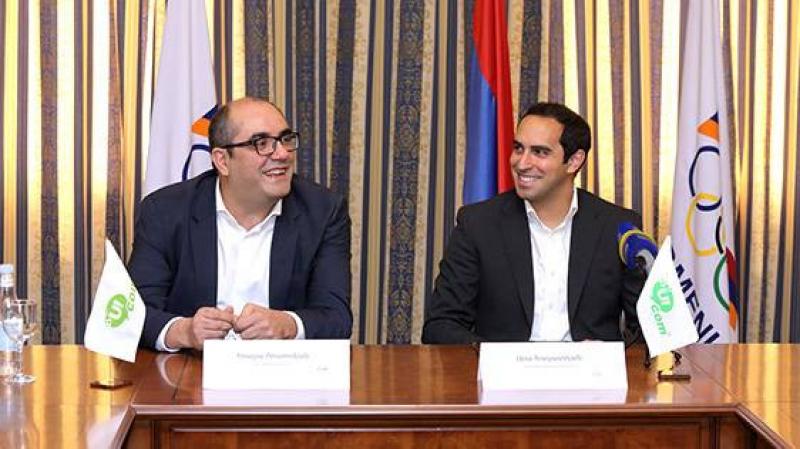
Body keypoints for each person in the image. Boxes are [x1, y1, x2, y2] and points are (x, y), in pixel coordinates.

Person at [129, 97, 352, 351]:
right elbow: (135, 312)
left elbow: (337, 319)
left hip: (282, 368)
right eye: (262, 143)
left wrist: (289, 325)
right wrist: (184, 331)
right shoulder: (165, 211)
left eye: (285, 139)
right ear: (223, 161)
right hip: (191, 369)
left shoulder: (323, 212)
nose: (282, 154)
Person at [422, 102, 645, 344]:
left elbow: (651, 332)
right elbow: (441, 325)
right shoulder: (477, 225)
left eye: (539, 152)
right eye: (518, 148)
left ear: (574, 161)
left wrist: (608, 355)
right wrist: (496, 357)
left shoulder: (618, 227)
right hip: (504, 368)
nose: (522, 163)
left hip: (590, 369)